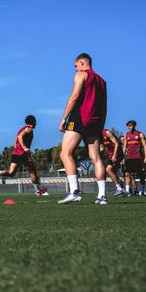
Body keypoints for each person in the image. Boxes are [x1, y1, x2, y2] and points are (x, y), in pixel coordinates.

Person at [57, 53, 108, 204]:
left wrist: (64, 118)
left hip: (80, 117)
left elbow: (75, 96)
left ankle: (74, 191)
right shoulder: (102, 81)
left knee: (65, 153)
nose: (75, 68)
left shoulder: (81, 74)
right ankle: (102, 196)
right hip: (95, 121)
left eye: (75, 65)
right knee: (96, 158)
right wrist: (101, 127)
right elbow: (104, 107)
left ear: (81, 63)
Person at [0, 115, 47, 196]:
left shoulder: (21, 129)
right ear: (33, 122)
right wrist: (24, 147)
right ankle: (38, 191)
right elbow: (20, 136)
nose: (36, 124)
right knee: (33, 171)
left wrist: (16, 145)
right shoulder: (29, 129)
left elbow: (17, 137)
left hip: (16, 153)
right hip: (23, 154)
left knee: (11, 173)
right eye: (35, 122)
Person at [122, 120, 146, 196]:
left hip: (138, 157)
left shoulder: (140, 134)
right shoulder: (126, 135)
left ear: (134, 126)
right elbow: (124, 147)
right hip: (129, 157)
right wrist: (122, 158)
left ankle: (142, 191)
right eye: (128, 126)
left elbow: (144, 146)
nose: (130, 127)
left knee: (141, 174)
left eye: (131, 125)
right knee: (127, 174)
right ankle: (127, 191)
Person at [100, 127, 128, 197]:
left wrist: (114, 155)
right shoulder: (98, 136)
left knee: (108, 169)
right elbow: (102, 147)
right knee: (113, 173)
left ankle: (119, 189)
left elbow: (116, 144)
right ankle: (123, 190)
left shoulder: (107, 133)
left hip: (118, 153)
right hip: (110, 155)